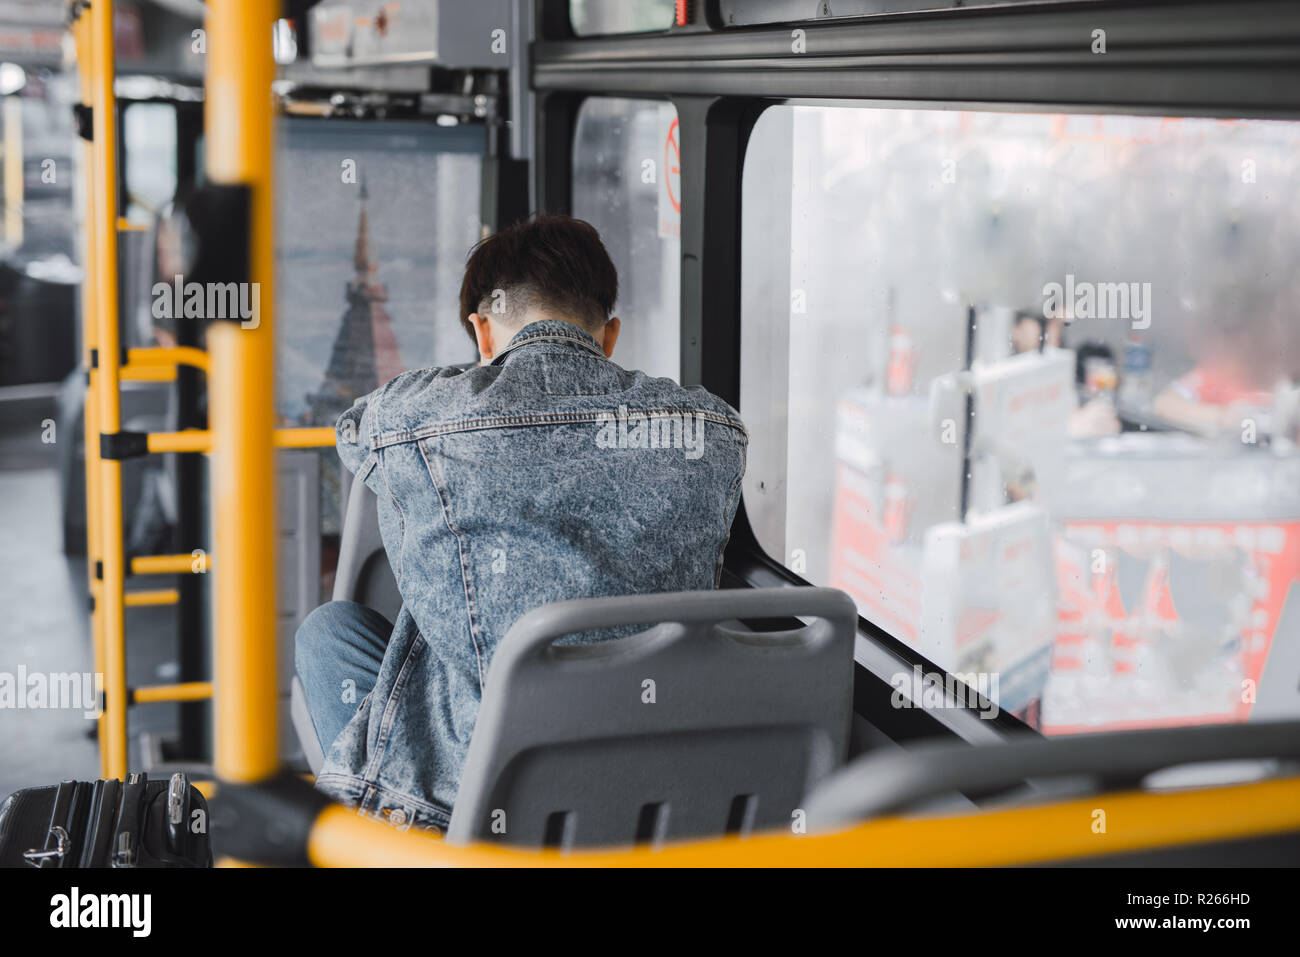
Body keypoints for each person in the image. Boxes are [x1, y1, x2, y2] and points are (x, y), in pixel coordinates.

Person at [294, 214, 748, 830]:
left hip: (472, 798)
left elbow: (352, 431)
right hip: (665, 790)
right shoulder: (710, 429)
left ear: (481, 332)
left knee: (333, 632)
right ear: (610, 335)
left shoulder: (424, 419)